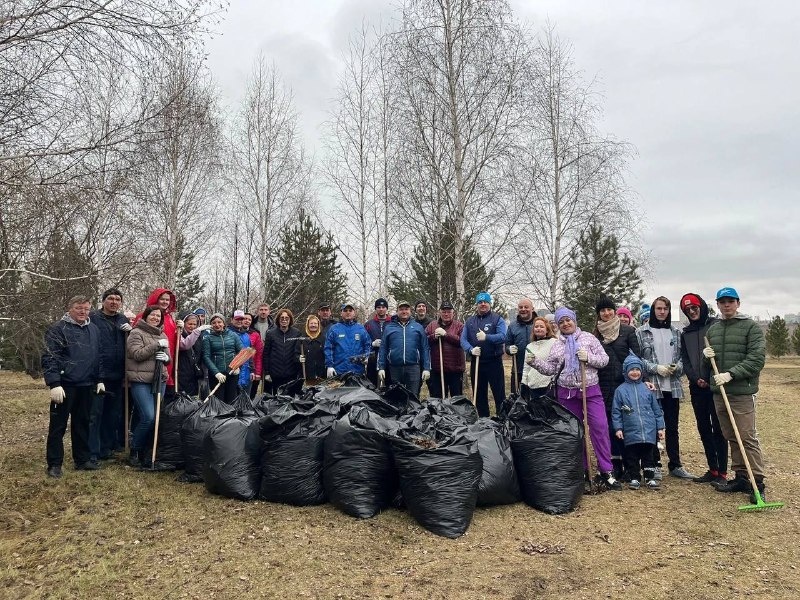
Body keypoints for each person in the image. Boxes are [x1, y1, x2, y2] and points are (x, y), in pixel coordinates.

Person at [530, 307, 621, 490]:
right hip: (567, 394)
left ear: (574, 320)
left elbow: (604, 360)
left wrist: (588, 358)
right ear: (557, 324)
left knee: (600, 428)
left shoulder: (588, 338)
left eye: (568, 320)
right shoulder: (556, 345)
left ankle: (606, 470)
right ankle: (583, 469)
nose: (565, 324)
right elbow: (552, 370)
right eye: (561, 321)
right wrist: (535, 362)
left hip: (591, 391)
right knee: (575, 432)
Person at [703, 287, 768, 502]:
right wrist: (705, 356)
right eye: (722, 302)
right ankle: (741, 476)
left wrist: (731, 374)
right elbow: (709, 365)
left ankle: (757, 481)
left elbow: (757, 359)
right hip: (720, 393)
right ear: (718, 304)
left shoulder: (751, 327)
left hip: (741, 392)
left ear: (738, 303)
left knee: (746, 437)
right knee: (731, 436)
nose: (726, 305)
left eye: (730, 301)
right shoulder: (713, 330)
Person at [42, 296, 104, 477]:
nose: (83, 312)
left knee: (82, 424)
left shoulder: (94, 329)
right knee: (58, 427)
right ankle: (54, 464)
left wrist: (99, 379)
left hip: (87, 385)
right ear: (70, 308)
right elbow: (50, 357)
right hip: (64, 386)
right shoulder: (57, 329)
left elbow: (98, 357)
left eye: (86, 308)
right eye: (79, 308)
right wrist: (54, 383)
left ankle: (82, 459)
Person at [636, 296, 695, 480]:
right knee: (653, 426)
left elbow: (682, 358)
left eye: (665, 309)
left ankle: (675, 464)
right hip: (653, 386)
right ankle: (653, 465)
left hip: (673, 386)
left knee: (672, 426)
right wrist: (656, 368)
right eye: (659, 308)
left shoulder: (675, 332)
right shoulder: (641, 332)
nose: (662, 312)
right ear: (653, 310)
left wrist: (676, 368)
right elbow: (638, 360)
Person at [680, 292, 728, 485]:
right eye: (688, 309)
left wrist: (709, 378)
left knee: (719, 429)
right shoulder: (686, 333)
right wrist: (695, 378)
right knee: (703, 427)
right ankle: (713, 469)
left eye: (694, 307)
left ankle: (723, 473)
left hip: (715, 386)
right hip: (697, 387)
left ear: (701, 306)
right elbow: (686, 360)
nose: (692, 311)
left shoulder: (715, 326)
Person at [593, 294, 641, 480]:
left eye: (609, 309)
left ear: (614, 311)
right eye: (602, 310)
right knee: (609, 426)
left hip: (624, 385)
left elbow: (636, 357)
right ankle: (614, 464)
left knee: (626, 424)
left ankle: (631, 465)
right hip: (603, 386)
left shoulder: (627, 331)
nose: (606, 313)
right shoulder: (595, 334)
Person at [125, 305, 171, 469]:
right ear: (146, 316)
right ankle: (134, 450)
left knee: (157, 419)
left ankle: (147, 452)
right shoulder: (136, 333)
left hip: (160, 380)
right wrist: (156, 345)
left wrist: (165, 357)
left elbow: (169, 360)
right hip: (140, 381)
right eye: (153, 315)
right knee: (149, 417)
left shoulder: (163, 333)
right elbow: (136, 354)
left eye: (159, 316)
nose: (156, 318)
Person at [612, 353, 666, 490]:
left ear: (641, 371)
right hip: (630, 432)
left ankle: (649, 477)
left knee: (648, 456)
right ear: (626, 371)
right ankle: (634, 477)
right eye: (631, 370)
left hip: (648, 431)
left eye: (637, 370)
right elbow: (616, 412)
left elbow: (656, 410)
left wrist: (660, 427)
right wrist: (618, 428)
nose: (635, 372)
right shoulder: (620, 391)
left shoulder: (647, 390)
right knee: (632, 456)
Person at [89, 288, 130, 462]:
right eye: (111, 299)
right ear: (103, 301)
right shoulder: (94, 318)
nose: (114, 302)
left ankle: (106, 449)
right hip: (98, 374)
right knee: (95, 413)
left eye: (117, 299)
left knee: (112, 414)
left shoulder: (122, 319)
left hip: (118, 375)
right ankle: (92, 451)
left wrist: (131, 331)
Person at [460, 291, 507, 417]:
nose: (483, 304)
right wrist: (470, 349)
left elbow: (503, 337)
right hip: (477, 362)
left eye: (485, 302)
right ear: (477, 305)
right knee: (479, 393)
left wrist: (487, 337)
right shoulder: (470, 321)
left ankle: (502, 420)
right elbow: (463, 340)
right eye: (480, 302)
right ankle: (483, 420)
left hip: (494, 361)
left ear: (489, 303)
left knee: (499, 393)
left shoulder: (497, 319)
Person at [378, 300, 431, 395]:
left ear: (410, 311)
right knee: (396, 398)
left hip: (413, 367)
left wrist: (426, 368)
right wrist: (381, 367)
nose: (404, 311)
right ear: (397, 311)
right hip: (394, 368)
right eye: (401, 309)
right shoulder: (389, 327)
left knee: (413, 397)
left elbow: (425, 348)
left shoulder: (418, 327)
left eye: (406, 309)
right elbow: (383, 348)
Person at [137, 288, 179, 394]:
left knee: (159, 404)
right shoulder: (143, 316)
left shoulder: (170, 319)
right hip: (145, 367)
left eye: (167, 300)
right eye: (162, 299)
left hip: (165, 365)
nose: (165, 302)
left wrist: (179, 331)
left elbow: (175, 343)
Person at [425, 300, 465, 398]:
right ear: (439, 312)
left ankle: (456, 414)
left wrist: (446, 335)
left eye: (449, 312)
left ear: (453, 313)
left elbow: (462, 342)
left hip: (455, 369)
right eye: (443, 311)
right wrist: (434, 336)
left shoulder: (459, 326)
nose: (446, 314)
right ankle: (440, 414)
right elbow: (424, 341)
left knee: (456, 398)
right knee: (438, 398)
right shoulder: (432, 325)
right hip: (437, 369)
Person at [202, 313, 243, 403]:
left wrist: (237, 365)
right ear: (211, 325)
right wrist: (216, 373)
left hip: (232, 373)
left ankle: (230, 417)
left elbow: (242, 352)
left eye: (219, 322)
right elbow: (206, 357)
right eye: (214, 323)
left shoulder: (233, 335)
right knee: (218, 401)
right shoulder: (208, 338)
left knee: (231, 400)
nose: (217, 325)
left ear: (224, 323)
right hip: (216, 375)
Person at [324, 302, 371, 377]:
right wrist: (329, 366)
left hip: (357, 371)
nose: (348, 312)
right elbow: (328, 348)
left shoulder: (361, 328)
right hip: (339, 371)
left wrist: (366, 356)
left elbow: (367, 344)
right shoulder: (334, 329)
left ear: (354, 313)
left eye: (350, 310)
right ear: (341, 313)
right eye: (345, 311)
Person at [263, 308, 301, 395]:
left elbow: (298, 351)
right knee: (277, 399)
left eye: (287, 318)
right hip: (275, 373)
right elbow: (266, 354)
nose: (284, 320)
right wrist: (267, 372)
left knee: (290, 398)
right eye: (282, 318)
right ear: (278, 319)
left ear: (290, 319)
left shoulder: (296, 333)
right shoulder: (270, 334)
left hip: (291, 373)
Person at [521, 316, 557, 400]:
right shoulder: (530, 346)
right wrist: (524, 383)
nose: (539, 329)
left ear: (547, 329)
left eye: (541, 327)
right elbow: (526, 368)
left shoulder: (554, 343)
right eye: (536, 327)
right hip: (533, 385)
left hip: (548, 385)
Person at [505, 297, 537, 391]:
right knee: (518, 399)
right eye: (521, 307)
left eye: (526, 307)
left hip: (537, 370)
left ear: (532, 309)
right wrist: (509, 349)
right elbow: (507, 345)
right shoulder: (512, 326)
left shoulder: (539, 324)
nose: (523, 309)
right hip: (518, 370)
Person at [176, 313, 209, 397]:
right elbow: (185, 345)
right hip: (182, 373)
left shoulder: (200, 337)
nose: (192, 327)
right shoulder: (179, 335)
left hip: (194, 374)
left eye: (195, 324)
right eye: (190, 324)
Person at [365, 298, 392, 387]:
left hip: (389, 358)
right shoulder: (369, 324)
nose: (381, 309)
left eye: (383, 307)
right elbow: (364, 341)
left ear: (386, 309)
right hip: (373, 358)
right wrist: (372, 344)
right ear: (376, 309)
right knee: (372, 385)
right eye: (379, 307)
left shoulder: (393, 323)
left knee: (390, 386)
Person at [229, 310, 253, 392]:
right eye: (237, 319)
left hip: (246, 373)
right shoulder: (227, 333)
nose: (239, 321)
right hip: (232, 372)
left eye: (241, 319)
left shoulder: (246, 335)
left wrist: (252, 370)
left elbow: (249, 354)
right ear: (232, 320)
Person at [299, 314, 326, 384]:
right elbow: (295, 354)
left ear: (318, 325)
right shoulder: (302, 339)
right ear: (307, 325)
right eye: (311, 323)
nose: (313, 325)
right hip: (306, 376)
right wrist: (298, 358)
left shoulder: (323, 339)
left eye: (315, 323)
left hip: (321, 376)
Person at [242, 312, 264, 398]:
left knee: (249, 395)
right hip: (236, 368)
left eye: (249, 319)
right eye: (245, 318)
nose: (247, 321)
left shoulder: (255, 334)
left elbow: (259, 355)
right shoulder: (232, 332)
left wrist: (257, 372)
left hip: (250, 368)